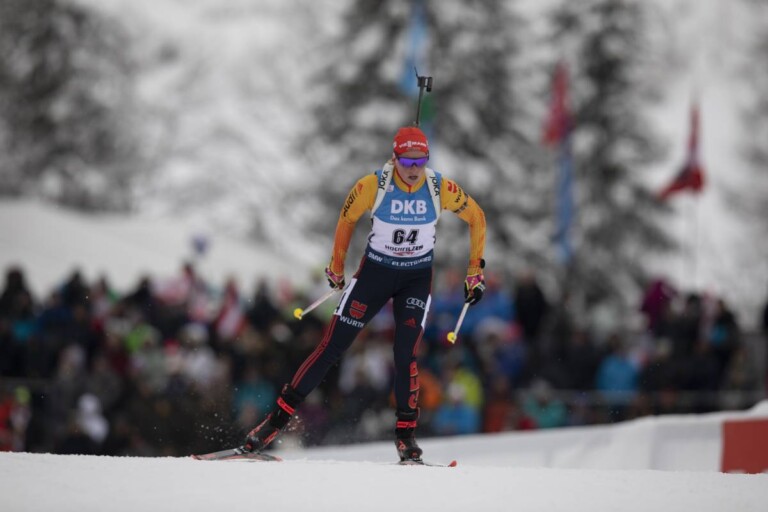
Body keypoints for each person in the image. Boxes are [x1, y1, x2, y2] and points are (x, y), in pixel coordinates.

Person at [241, 126, 486, 462]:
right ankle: (273, 424)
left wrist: (475, 272)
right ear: (394, 158)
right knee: (332, 347)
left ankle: (406, 438)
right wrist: (336, 267)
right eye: (407, 161)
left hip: (415, 279)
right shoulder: (373, 185)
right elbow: (346, 220)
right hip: (375, 275)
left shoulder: (439, 187)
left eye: (421, 160)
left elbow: (477, 217)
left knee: (405, 354)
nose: (414, 168)